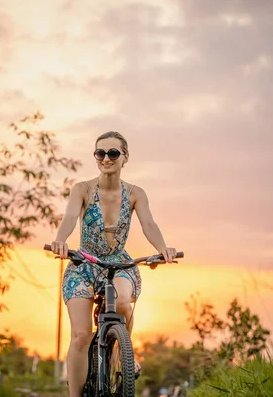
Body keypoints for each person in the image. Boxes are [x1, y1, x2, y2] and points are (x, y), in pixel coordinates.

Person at [50, 131, 177, 397]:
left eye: (113, 153)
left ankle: (124, 354)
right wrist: (60, 241)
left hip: (118, 263)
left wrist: (162, 248)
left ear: (125, 157)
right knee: (81, 335)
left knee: (122, 302)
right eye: (100, 153)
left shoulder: (135, 193)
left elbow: (149, 224)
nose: (106, 158)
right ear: (96, 157)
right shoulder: (82, 189)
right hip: (83, 263)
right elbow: (70, 217)